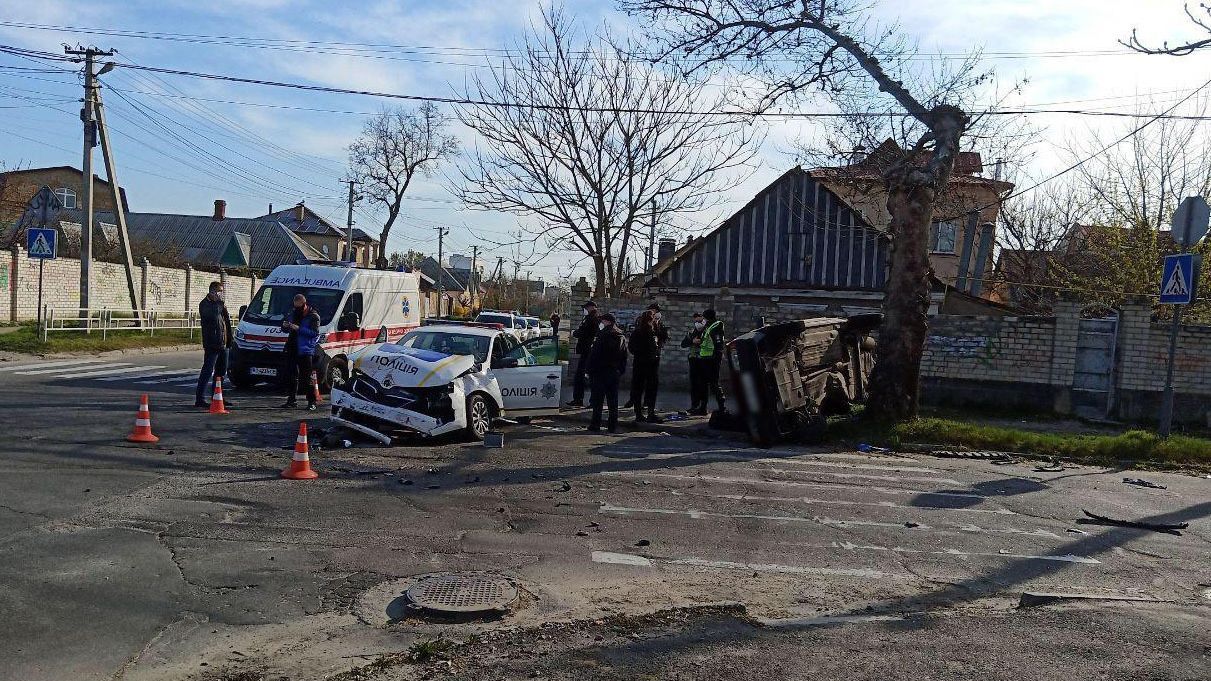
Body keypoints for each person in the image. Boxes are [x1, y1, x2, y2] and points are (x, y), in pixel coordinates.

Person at [585, 312, 628, 432]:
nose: (601, 323)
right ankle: (612, 425)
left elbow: (595, 355)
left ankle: (595, 424)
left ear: (607, 322)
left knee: (598, 400)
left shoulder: (603, 335)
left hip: (599, 372)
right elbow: (624, 356)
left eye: (602, 321)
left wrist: (589, 369)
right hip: (613, 372)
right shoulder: (621, 336)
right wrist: (620, 370)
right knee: (613, 401)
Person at [195, 281, 235, 408]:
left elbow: (226, 323)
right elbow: (213, 315)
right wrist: (219, 303)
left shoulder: (220, 305)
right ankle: (199, 398)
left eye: (222, 293)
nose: (220, 295)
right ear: (212, 292)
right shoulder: (205, 304)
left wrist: (230, 340)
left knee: (221, 372)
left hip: (223, 343)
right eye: (219, 292)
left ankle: (218, 396)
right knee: (207, 370)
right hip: (212, 343)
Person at [627, 304, 669, 423]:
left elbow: (662, 338)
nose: (654, 321)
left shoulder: (655, 331)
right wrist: (643, 353)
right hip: (642, 363)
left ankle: (649, 413)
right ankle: (639, 414)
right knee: (639, 388)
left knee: (650, 388)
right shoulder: (639, 332)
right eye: (653, 319)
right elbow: (632, 347)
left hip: (652, 363)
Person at [280, 294, 322, 411]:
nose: (296, 308)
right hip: (292, 347)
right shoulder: (293, 312)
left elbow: (314, 333)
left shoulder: (313, 316)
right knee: (291, 375)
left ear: (304, 304)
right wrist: (285, 326)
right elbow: (285, 325)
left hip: (305, 349)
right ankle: (291, 399)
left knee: (306, 377)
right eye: (295, 306)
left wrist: (299, 329)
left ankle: (311, 401)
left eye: (299, 306)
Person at [566, 300, 599, 407]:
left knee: (584, 377)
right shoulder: (590, 318)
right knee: (582, 377)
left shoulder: (592, 319)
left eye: (586, 308)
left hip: (588, 351)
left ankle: (586, 400)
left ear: (591, 308)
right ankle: (579, 399)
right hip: (587, 351)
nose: (584, 310)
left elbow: (584, 332)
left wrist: (574, 333)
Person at [697, 308, 727, 414]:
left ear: (708, 317)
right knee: (703, 383)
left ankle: (722, 407)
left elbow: (718, 343)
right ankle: (703, 407)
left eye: (704, 317)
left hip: (712, 359)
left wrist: (716, 356)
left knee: (714, 383)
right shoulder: (708, 326)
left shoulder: (716, 325)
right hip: (705, 358)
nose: (703, 319)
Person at [681, 312, 706, 414]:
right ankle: (694, 405)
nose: (698, 323)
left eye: (700, 321)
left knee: (703, 385)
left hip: (704, 360)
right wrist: (692, 342)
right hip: (693, 360)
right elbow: (683, 344)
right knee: (694, 384)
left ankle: (702, 408)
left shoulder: (708, 331)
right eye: (696, 321)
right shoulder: (692, 332)